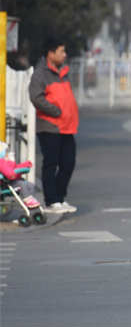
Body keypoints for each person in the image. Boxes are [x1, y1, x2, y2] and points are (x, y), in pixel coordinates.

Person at [28, 37, 79, 214]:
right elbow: (36, 97)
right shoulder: (41, 73)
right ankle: (51, 201)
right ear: (51, 53)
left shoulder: (62, 72)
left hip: (66, 127)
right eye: (61, 51)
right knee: (51, 163)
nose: (64, 55)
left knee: (68, 163)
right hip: (49, 126)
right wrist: (55, 111)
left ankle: (60, 197)